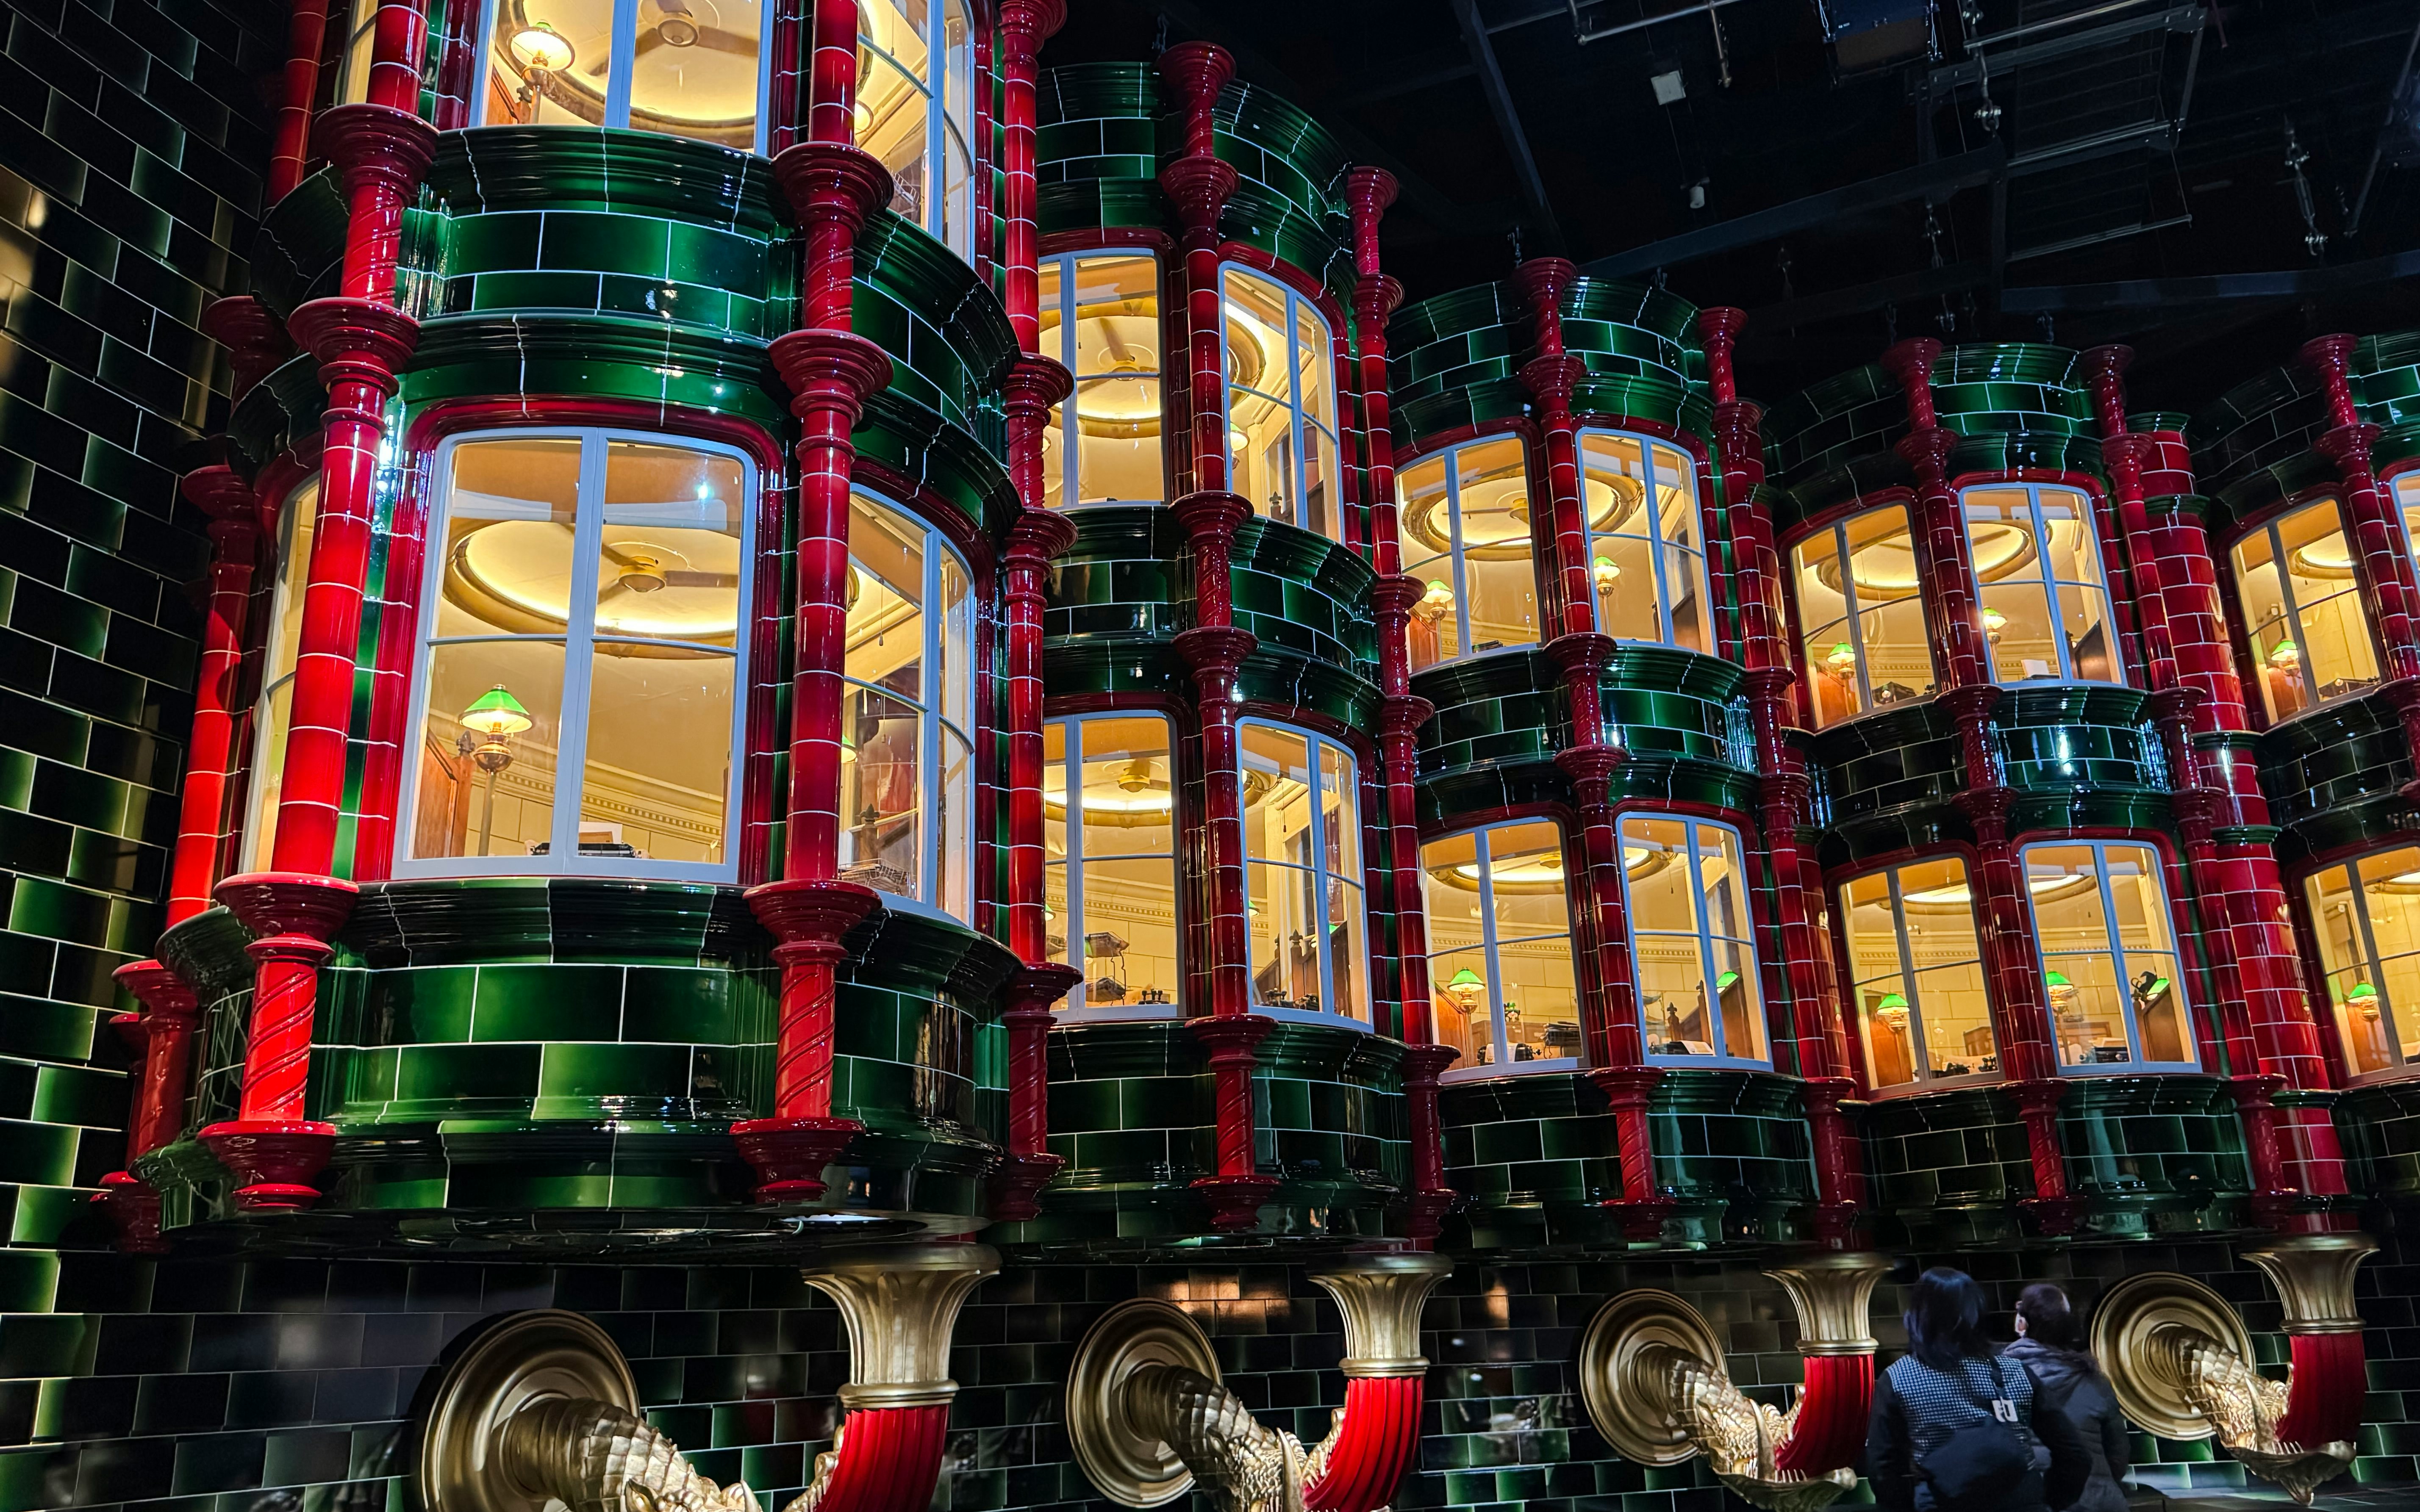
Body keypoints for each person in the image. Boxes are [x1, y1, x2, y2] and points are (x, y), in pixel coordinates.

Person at [1866, 1267, 2091, 1512]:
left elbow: (1883, 1468)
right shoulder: (2015, 1371)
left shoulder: (1899, 1378)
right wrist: (2048, 1501)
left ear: (1918, 1315)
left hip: (1942, 1504)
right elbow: (2075, 1455)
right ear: (1975, 1312)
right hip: (2022, 1502)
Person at [2005, 1284, 2131, 1512]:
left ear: (2021, 1324)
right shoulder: (2094, 1379)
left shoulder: (2000, 1378)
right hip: (2099, 1502)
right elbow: (2118, 1454)